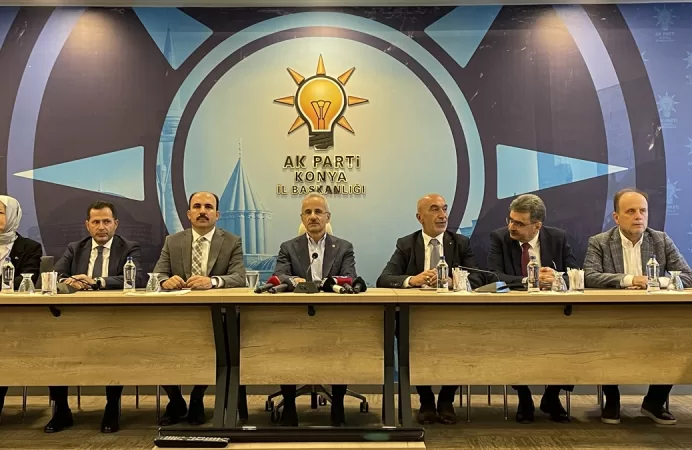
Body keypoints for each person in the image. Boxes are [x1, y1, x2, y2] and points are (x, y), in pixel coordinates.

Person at [584, 187, 692, 426]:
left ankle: (654, 402)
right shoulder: (600, 242)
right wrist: (629, 279)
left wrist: (655, 281)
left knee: (674, 342)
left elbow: (687, 276)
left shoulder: (660, 240)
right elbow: (589, 276)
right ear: (616, 217)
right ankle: (612, 400)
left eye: (643, 211)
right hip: (612, 316)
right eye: (631, 211)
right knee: (603, 340)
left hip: (655, 315)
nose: (638, 217)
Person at [377, 193, 485, 425]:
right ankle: (426, 400)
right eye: (435, 209)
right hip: (416, 316)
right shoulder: (407, 244)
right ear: (420, 217)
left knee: (461, 340)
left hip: (453, 316)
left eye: (444, 209)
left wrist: (454, 281)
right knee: (407, 338)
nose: (442, 215)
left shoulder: (460, 243)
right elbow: (384, 278)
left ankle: (446, 400)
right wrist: (412, 280)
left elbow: (478, 278)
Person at [48, 201, 142, 434]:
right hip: (75, 318)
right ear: (87, 225)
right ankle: (61, 410)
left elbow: (137, 278)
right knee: (55, 349)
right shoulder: (75, 248)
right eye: (96, 222)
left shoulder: (129, 247)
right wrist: (69, 281)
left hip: (114, 316)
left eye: (106, 221)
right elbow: (54, 276)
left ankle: (112, 408)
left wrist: (97, 282)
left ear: (116, 224)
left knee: (114, 351)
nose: (101, 227)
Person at [153, 191, 246, 426]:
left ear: (217, 214)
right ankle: (175, 400)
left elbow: (239, 277)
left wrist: (212, 281)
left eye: (208, 207)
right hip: (178, 314)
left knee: (216, 345)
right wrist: (165, 281)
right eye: (197, 207)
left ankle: (197, 396)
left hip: (216, 315)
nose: (202, 211)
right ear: (188, 214)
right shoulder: (172, 241)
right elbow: (157, 274)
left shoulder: (231, 241)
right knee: (156, 344)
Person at [487, 194, 577, 423]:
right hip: (514, 312)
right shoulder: (499, 238)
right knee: (514, 342)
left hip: (553, 312)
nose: (511, 227)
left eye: (519, 223)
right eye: (510, 220)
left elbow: (574, 273)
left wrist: (556, 277)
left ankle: (552, 396)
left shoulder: (557, 238)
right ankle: (524, 396)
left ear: (537, 225)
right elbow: (493, 276)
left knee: (572, 339)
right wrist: (529, 280)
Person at [273, 193, 356, 427]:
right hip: (296, 315)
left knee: (340, 350)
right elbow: (280, 275)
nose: (313, 217)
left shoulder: (343, 247)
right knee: (286, 350)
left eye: (318, 212)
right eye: (307, 212)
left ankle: (338, 404)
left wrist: (327, 284)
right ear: (302, 218)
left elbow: (350, 276)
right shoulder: (288, 247)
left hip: (333, 315)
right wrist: (295, 281)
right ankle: (289, 405)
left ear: (327, 217)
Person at [0, 196, 42, 421]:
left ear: (12, 216)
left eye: (0, 213)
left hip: (14, 318)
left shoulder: (30, 247)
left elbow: (27, 279)